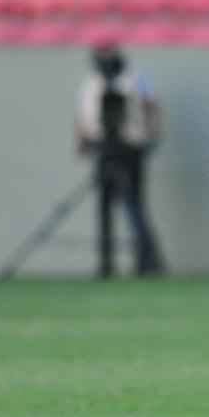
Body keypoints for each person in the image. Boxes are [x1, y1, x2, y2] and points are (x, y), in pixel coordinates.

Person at [75, 42, 165, 278]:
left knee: (134, 206)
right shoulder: (91, 83)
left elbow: (152, 106)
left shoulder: (136, 79)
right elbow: (84, 116)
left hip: (130, 149)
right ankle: (106, 262)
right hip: (103, 149)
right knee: (104, 209)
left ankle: (146, 261)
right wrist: (82, 142)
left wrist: (151, 136)